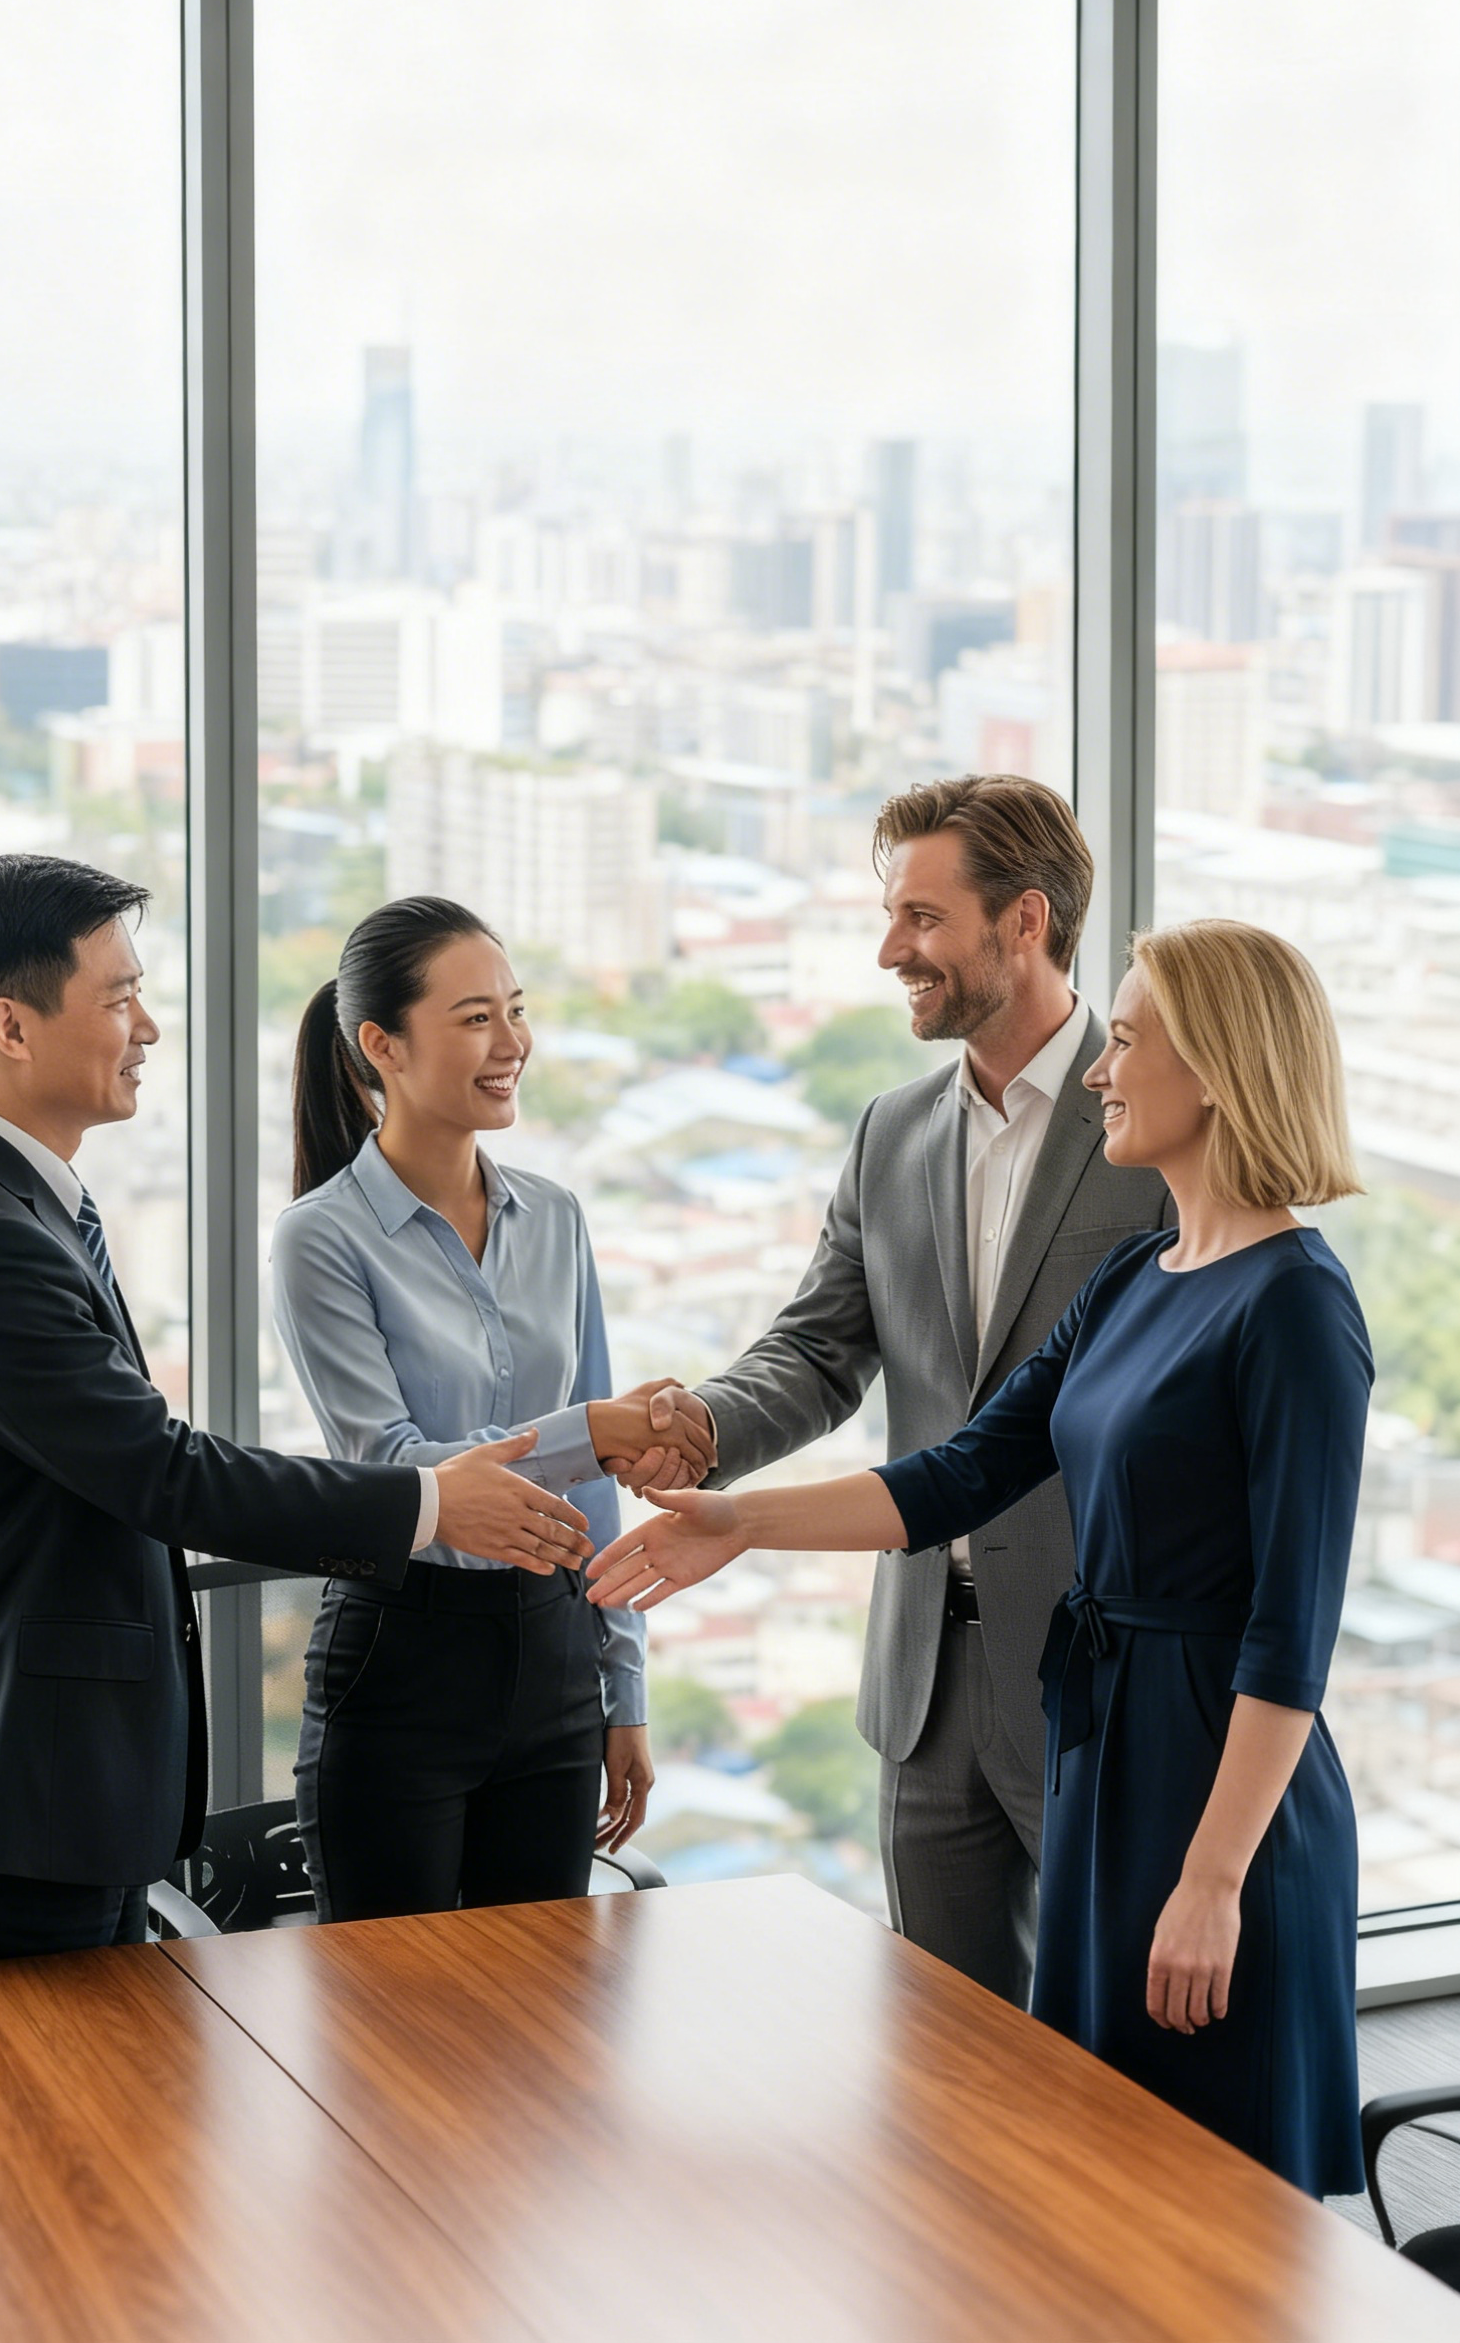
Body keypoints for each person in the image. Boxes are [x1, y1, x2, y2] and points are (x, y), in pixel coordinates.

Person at [593, 919, 1371, 2197]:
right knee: (1097, 2168)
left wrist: (1215, 1879)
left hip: (1217, 1788)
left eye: (1123, 1042)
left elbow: (1293, 1634)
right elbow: (955, 1476)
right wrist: (739, 1523)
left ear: (1222, 1068)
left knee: (1220, 2207)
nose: (1102, 1074)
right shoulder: (1136, 1273)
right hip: (1104, 1754)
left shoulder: (1294, 1304)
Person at [0, 854, 589, 1968]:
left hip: (63, 1799)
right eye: (116, 998)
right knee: (40, 2138)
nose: (147, 1025)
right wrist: (430, 1502)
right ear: (11, 1028)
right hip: (11, 1809)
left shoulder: (26, 1208)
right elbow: (167, 1475)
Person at [597, 776, 1169, 2003]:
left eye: (921, 917)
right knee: (946, 2052)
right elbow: (815, 1350)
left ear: (1023, 923)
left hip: (1097, 1678)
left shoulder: (1146, 1125)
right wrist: (701, 1426)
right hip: (923, 1678)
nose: (887, 949)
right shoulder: (890, 1131)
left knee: (1112, 2058)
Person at [271, 896, 714, 1922]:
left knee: (544, 2019)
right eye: (475, 1018)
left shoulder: (554, 1217)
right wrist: (589, 1432)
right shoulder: (320, 1240)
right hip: (403, 1663)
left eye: (515, 1010)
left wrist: (622, 1691)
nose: (514, 1042)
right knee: (394, 2024)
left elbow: (599, 1501)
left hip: (556, 1658)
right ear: (380, 1043)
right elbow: (393, 1463)